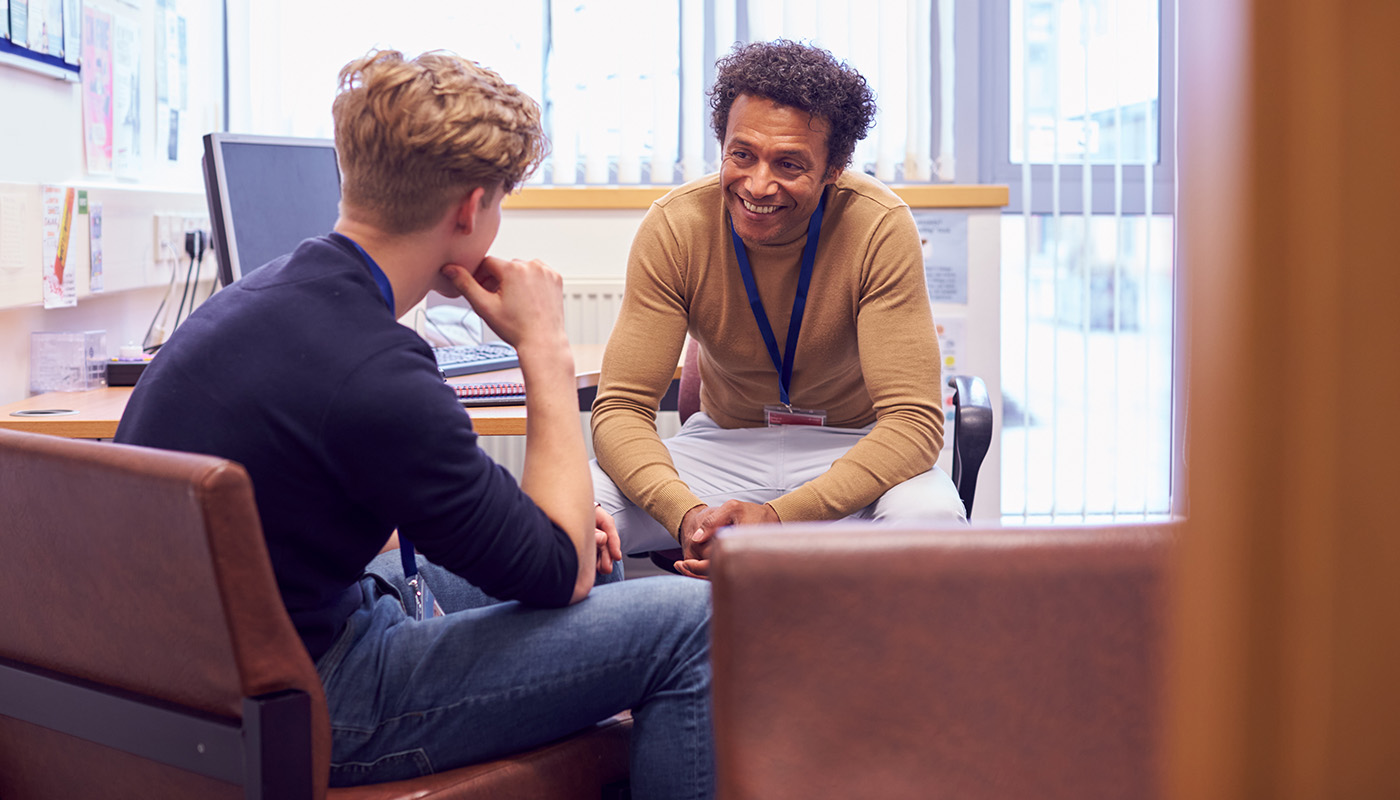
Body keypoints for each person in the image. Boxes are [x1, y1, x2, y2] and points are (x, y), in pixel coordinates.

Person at [115, 50, 713, 798]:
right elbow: (558, 573)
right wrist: (545, 348)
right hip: (311, 702)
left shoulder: (267, 294)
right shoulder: (376, 372)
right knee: (695, 621)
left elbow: (504, 531)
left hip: (204, 670)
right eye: (499, 205)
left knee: (601, 557)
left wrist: (557, 541)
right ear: (469, 210)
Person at [591, 40, 966, 579]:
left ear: (834, 167)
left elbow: (913, 424)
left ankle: (876, 666)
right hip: (722, 449)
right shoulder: (676, 226)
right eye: (742, 154)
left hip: (851, 449)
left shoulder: (879, 226)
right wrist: (688, 516)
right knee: (572, 511)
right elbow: (621, 410)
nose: (758, 184)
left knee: (931, 523)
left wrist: (780, 518)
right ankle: (636, 656)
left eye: (789, 163)